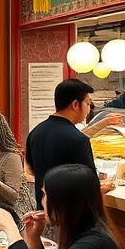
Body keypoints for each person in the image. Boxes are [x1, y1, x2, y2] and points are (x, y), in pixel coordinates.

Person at [25, 77, 97, 206]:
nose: (89, 109)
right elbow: (90, 184)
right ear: (75, 105)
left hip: (43, 209)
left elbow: (30, 170)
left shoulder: (35, 132)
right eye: (87, 104)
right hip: (70, 213)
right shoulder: (78, 139)